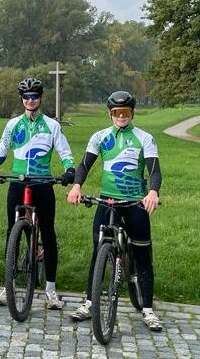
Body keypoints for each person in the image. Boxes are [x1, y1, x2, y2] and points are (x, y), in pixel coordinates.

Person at [65, 90, 164, 332]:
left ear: (132, 113)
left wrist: (152, 192)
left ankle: (148, 310)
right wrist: (77, 186)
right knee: (97, 251)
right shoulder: (100, 137)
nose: (121, 116)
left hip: (135, 203)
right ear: (110, 114)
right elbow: (84, 164)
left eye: (126, 112)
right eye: (116, 113)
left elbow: (154, 171)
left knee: (142, 256)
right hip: (107, 202)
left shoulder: (144, 138)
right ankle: (90, 303)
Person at [0, 77, 75, 311]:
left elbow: (64, 152)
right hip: (18, 182)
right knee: (10, 233)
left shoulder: (52, 125)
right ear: (22, 99)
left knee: (48, 233)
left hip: (43, 184)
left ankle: (51, 290)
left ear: (40, 98)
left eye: (34, 96)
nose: (30, 100)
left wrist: (69, 170)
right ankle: (8, 285)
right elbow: (2, 150)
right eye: (26, 97)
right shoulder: (13, 125)